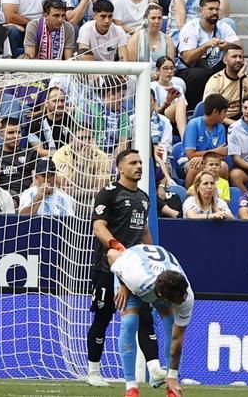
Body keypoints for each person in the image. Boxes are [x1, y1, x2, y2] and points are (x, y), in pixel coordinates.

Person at [85, 148, 163, 389]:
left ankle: (155, 369)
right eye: (133, 163)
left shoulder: (143, 197)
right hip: (107, 268)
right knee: (103, 317)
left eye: (140, 162)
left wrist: (152, 258)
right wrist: (116, 247)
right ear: (120, 168)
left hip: (136, 271)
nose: (139, 166)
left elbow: (144, 231)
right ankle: (93, 371)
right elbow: (99, 227)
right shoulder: (109, 193)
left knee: (145, 317)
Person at [106, 243, 193, 397]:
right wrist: (123, 283)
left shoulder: (186, 296)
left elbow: (177, 337)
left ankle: (171, 386)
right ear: (162, 297)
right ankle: (131, 388)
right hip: (132, 277)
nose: (183, 301)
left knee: (171, 324)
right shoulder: (136, 278)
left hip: (156, 278)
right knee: (129, 322)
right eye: (177, 301)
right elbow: (112, 254)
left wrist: (172, 376)